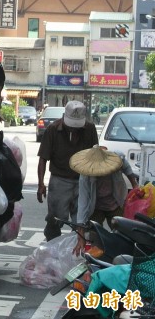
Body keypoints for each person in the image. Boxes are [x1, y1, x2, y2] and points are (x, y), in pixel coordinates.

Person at [37, 100, 99, 241]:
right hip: (59, 179)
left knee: (82, 222)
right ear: (64, 116)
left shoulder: (90, 129)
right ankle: (51, 247)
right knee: (54, 219)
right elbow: (43, 158)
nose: (73, 129)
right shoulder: (53, 129)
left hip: (83, 179)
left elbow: (94, 155)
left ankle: (79, 251)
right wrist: (41, 184)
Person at [70, 145, 139, 256]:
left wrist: (134, 184)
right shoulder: (85, 175)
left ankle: (123, 257)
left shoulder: (117, 159)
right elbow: (83, 203)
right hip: (96, 206)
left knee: (123, 235)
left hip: (116, 203)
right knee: (94, 236)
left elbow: (126, 167)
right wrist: (80, 235)